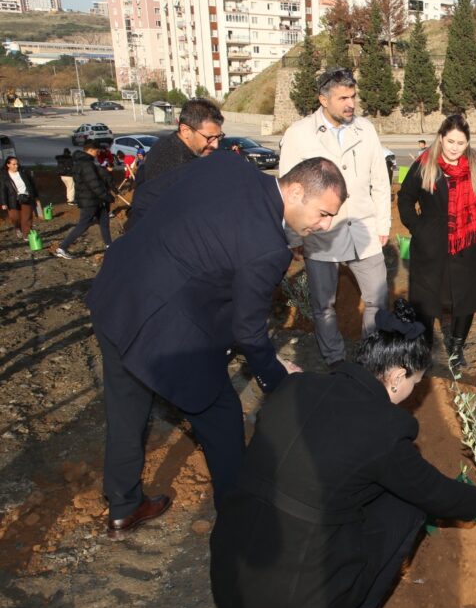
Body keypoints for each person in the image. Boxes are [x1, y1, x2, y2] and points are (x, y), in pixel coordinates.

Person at [85, 154, 346, 539]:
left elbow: (148, 195)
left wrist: (151, 251)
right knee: (222, 419)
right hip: (166, 329)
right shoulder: (269, 248)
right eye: (324, 213)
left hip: (117, 291)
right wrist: (276, 376)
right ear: (295, 191)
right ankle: (241, 524)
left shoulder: (227, 165)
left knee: (126, 405)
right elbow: (249, 329)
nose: (324, 225)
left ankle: (123, 508)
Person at [209, 301, 476, 608]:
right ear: (398, 376)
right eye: (416, 382)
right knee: (407, 504)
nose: (414, 392)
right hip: (293, 604)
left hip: (230, 571)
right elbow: (431, 491)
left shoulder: (296, 385)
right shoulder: (385, 428)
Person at [279, 67, 392, 367]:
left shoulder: (366, 129)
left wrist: (383, 223)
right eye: (343, 97)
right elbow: (289, 192)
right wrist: (294, 236)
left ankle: (371, 357)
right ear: (323, 99)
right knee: (324, 306)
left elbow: (380, 180)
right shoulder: (298, 135)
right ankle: (335, 361)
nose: (351, 104)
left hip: (363, 230)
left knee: (377, 298)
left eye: (353, 96)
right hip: (320, 233)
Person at [398, 114, 476, 369]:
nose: (454, 148)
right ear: (441, 138)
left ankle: (456, 348)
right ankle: (425, 348)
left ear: (467, 144)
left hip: (468, 243)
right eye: (450, 141)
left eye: (460, 143)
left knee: (465, 298)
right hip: (431, 242)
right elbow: (405, 199)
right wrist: (419, 229)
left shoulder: (473, 163)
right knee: (427, 297)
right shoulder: (425, 163)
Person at [125, 98, 224, 231]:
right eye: (210, 138)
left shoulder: (173, 144)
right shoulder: (174, 163)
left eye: (219, 137)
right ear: (186, 131)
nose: (215, 144)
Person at [54, 141, 114, 259]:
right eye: (97, 151)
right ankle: (62, 248)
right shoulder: (86, 165)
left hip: (96, 200)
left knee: (104, 221)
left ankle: (109, 246)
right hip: (90, 200)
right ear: (90, 150)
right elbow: (94, 184)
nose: (98, 153)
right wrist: (107, 196)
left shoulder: (84, 163)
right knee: (83, 225)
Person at [1, 156, 38, 242]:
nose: (16, 166)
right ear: (8, 165)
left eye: (17, 164)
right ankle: (18, 228)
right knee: (15, 217)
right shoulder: (4, 176)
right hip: (12, 199)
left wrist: (35, 196)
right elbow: (2, 190)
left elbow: (31, 184)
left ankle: (26, 235)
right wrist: (4, 203)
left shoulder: (23, 172)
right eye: (13, 164)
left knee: (27, 217)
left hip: (26, 197)